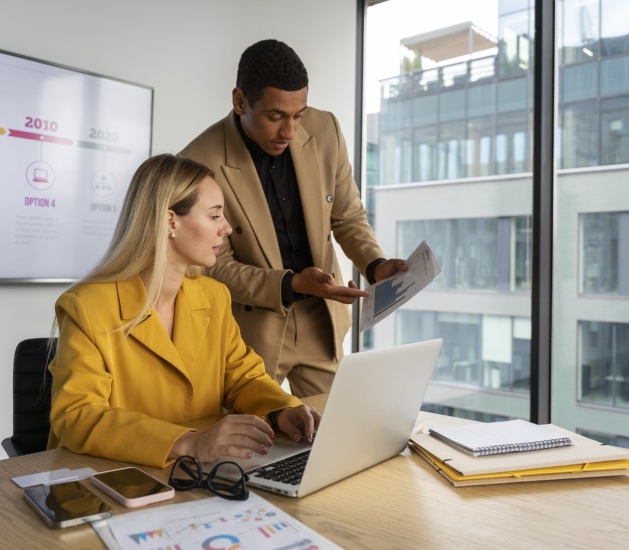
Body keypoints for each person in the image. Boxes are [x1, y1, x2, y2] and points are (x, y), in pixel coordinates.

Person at [48, 154, 319, 468]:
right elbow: (77, 414)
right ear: (170, 221)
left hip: (196, 472)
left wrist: (282, 409)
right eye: (214, 216)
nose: (227, 228)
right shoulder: (87, 305)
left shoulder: (213, 296)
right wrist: (187, 442)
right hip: (115, 475)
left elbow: (242, 378)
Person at [180, 39, 406, 397]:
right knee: (250, 431)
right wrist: (291, 284)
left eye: (298, 115)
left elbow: (347, 216)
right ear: (240, 101)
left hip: (321, 319)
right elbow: (213, 266)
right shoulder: (198, 162)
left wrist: (375, 265)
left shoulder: (326, 128)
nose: (290, 131)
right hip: (249, 330)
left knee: (335, 427)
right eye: (275, 117)